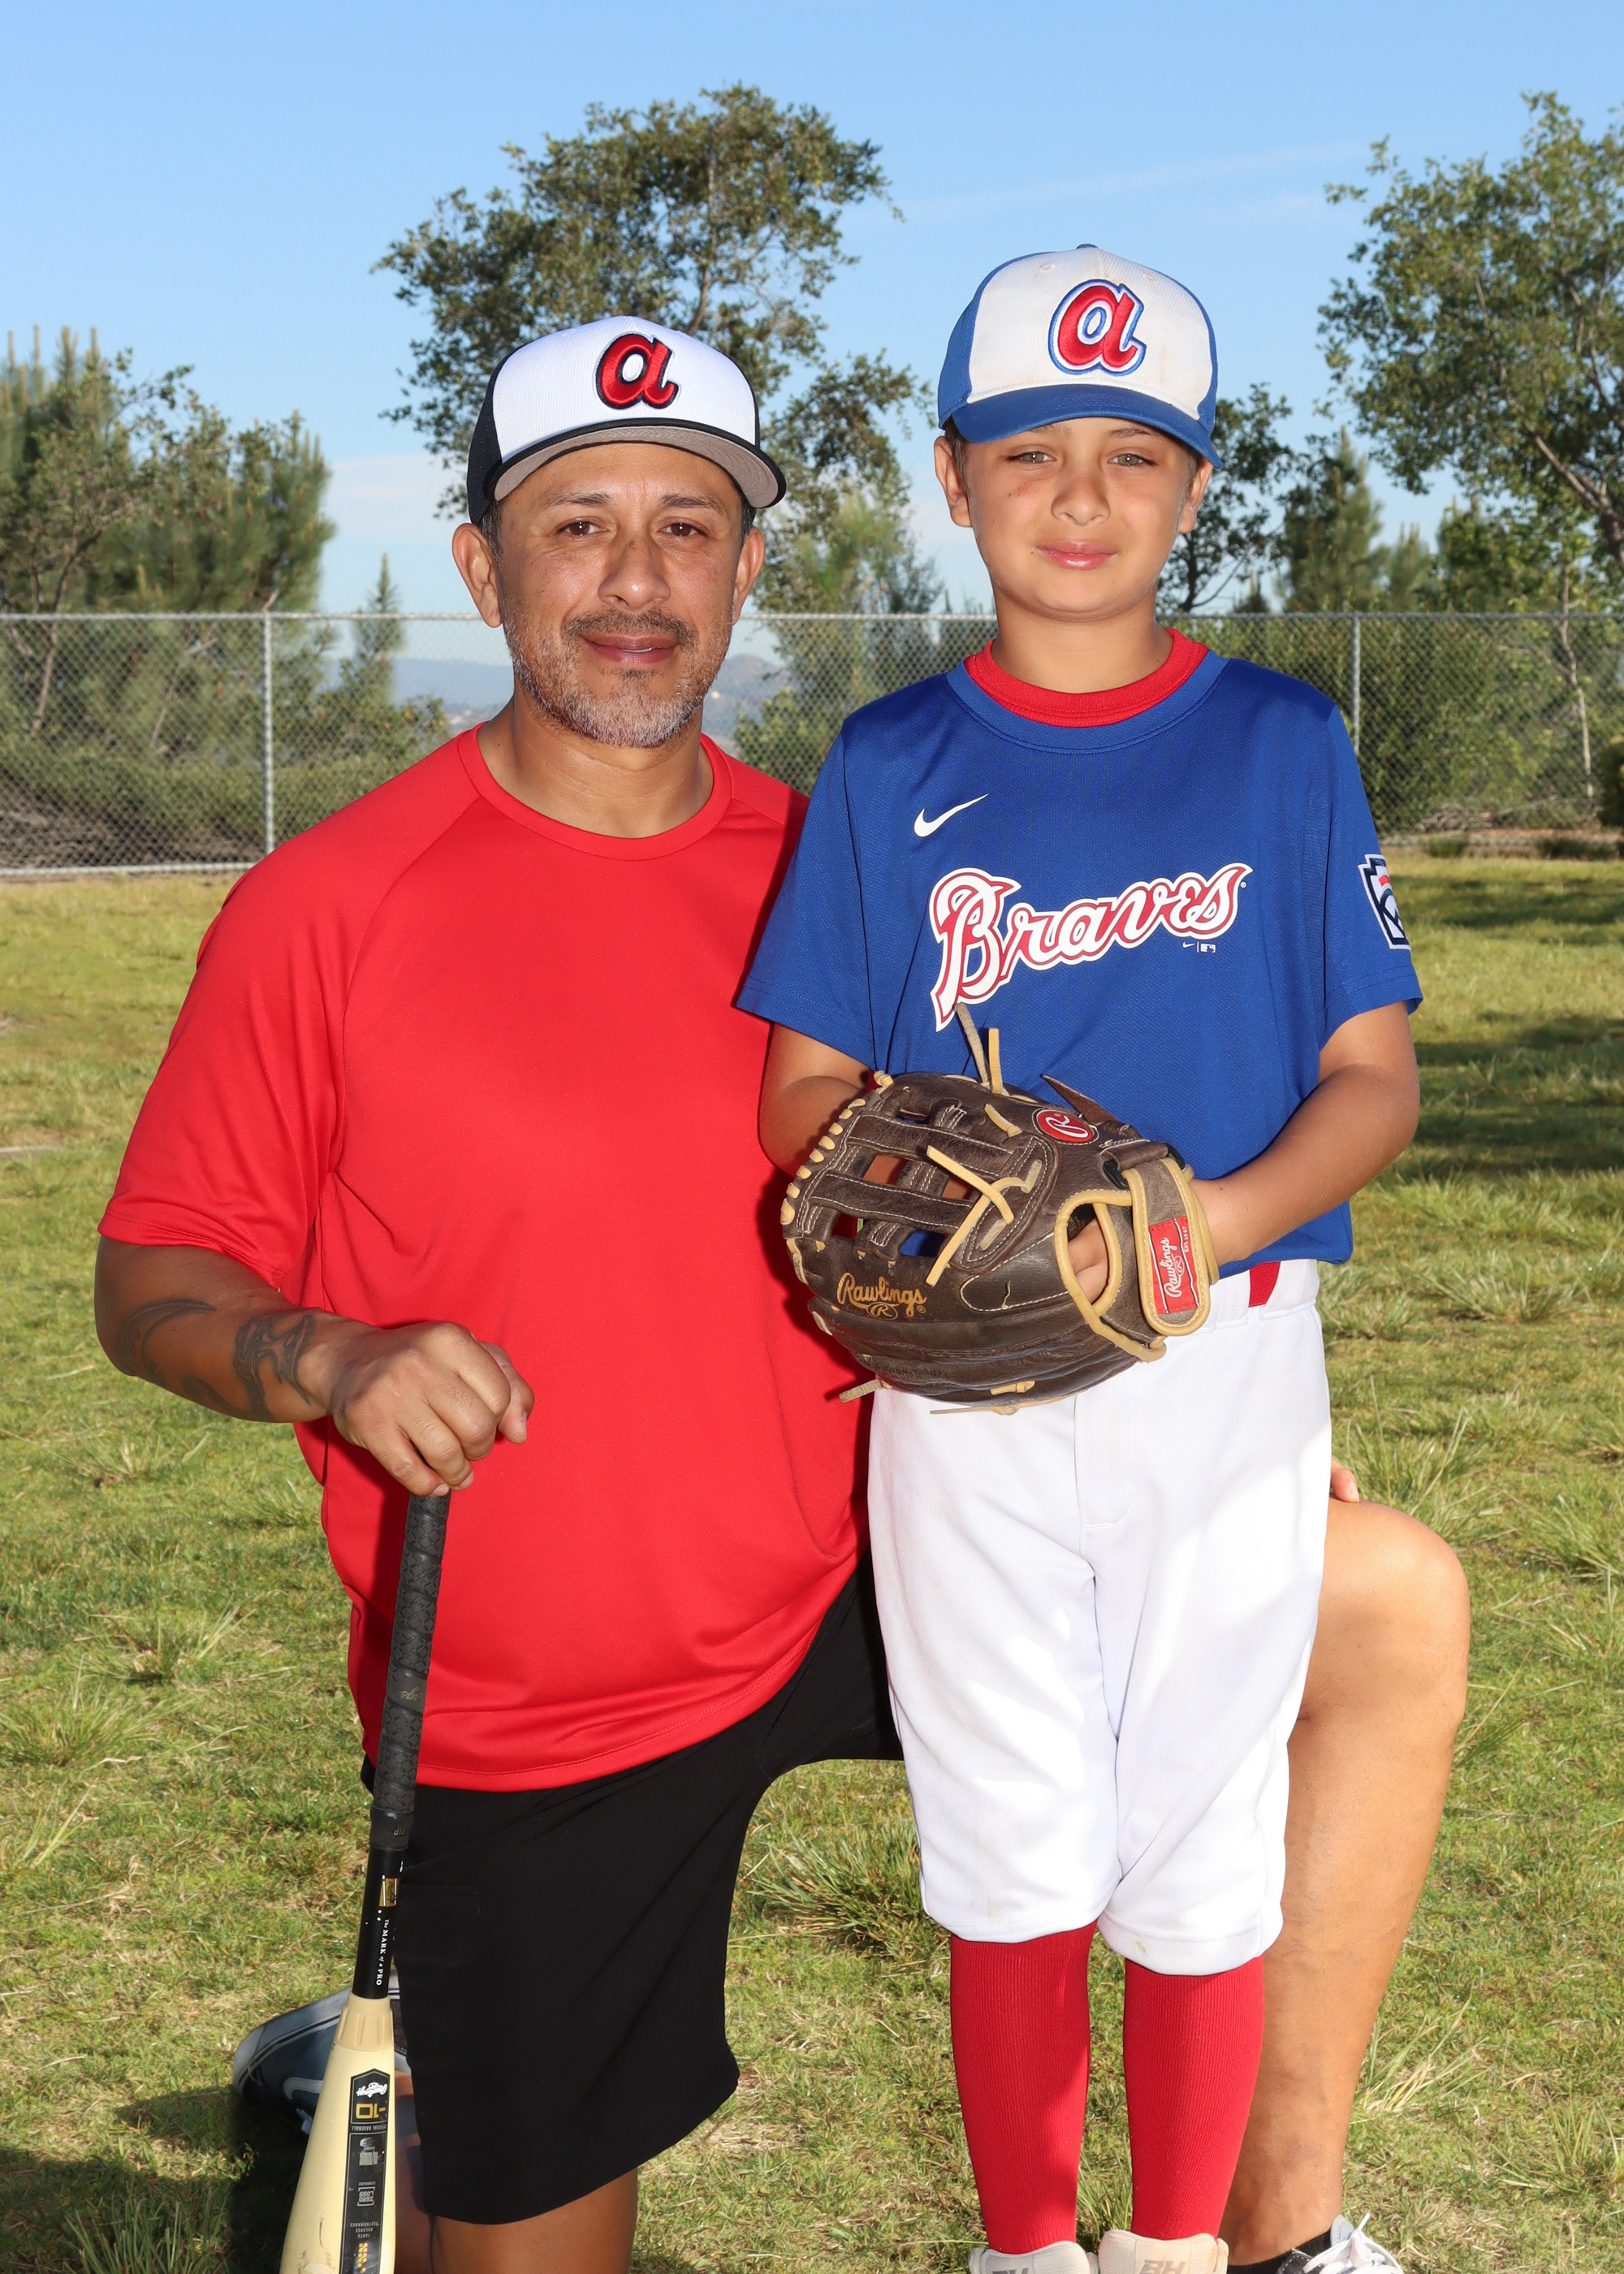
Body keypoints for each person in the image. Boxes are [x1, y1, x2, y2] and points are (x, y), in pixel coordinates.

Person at [92, 309, 1465, 2274]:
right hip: (556, 1677)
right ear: (480, 564)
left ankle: (1273, 2231)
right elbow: (148, 1274)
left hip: (899, 1544)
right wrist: (319, 1349)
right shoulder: (329, 904)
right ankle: (395, 2084)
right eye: (576, 525)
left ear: (748, 567)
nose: (635, 580)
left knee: (1382, 1604)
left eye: (688, 525)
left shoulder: (853, 846)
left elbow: (1079, 1135)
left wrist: (1191, 1431)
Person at [744, 247, 1458, 2274]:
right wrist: (943, 1199)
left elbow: (1372, 1082)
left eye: (1133, 454)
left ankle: (1169, 2250)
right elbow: (802, 1094)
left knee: (1205, 1833)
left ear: (1196, 489)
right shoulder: (889, 761)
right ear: (952, 479)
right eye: (1027, 451)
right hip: (960, 1372)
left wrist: (1195, 1223)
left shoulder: (1279, 742)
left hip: (1218, 1342)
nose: (1080, 494)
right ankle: (1023, 2247)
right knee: (1008, 1835)